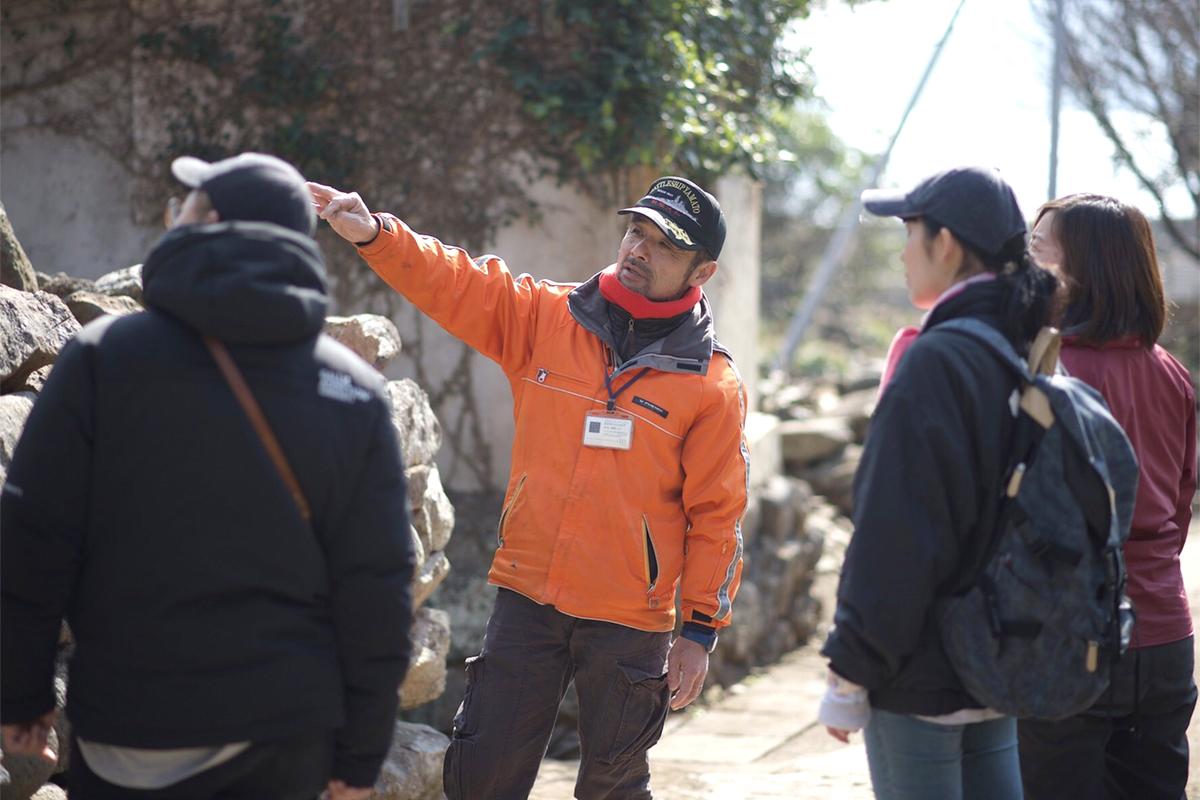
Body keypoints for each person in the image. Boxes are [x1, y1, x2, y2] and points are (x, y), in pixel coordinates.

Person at [309, 175, 748, 799]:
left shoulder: (712, 384)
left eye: (664, 246)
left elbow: (719, 514)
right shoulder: (547, 316)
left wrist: (700, 631)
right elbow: (458, 282)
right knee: (481, 779)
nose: (638, 250)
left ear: (701, 272)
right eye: (636, 231)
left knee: (614, 787)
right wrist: (376, 234)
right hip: (528, 594)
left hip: (631, 617)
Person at [1, 153, 416, 800]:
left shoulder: (104, 359)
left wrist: (20, 694)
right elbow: (378, 590)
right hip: (284, 737)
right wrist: (360, 755)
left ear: (210, 221)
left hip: (131, 728)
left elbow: (33, 540)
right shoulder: (352, 392)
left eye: (188, 204)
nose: (175, 216)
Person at [816, 166, 1058, 800]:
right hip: (998, 658)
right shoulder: (1020, 350)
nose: (901, 251)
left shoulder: (935, 360)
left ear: (945, 244)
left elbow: (895, 536)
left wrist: (851, 672)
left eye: (909, 231)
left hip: (920, 667)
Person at [1018, 193, 1197, 800]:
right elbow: (1176, 509)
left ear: (1083, 271)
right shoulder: (1172, 373)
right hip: (1166, 637)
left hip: (1067, 638)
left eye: (1036, 249)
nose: (1022, 263)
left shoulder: (1052, 370)